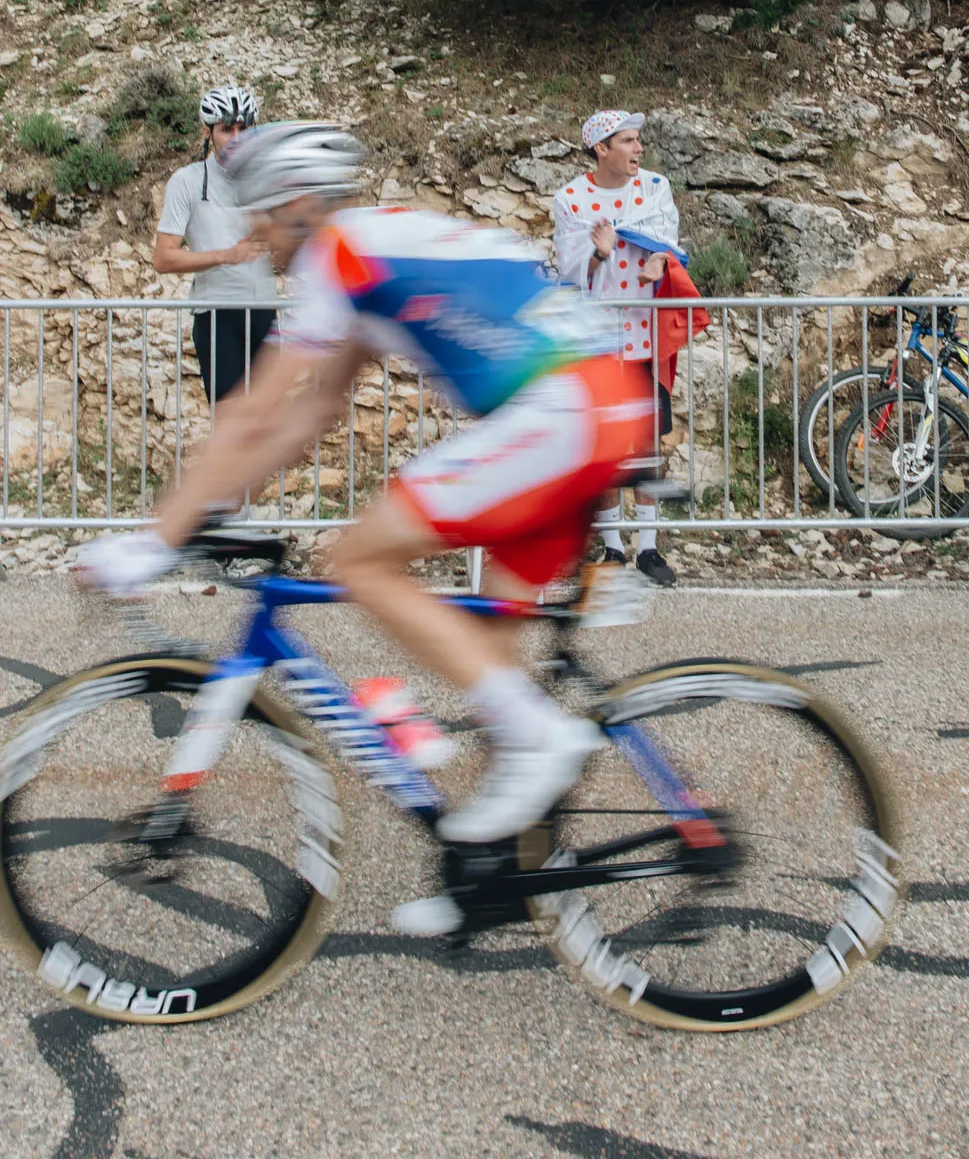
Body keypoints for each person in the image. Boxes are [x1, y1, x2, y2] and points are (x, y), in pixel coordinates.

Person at [82, 123, 653, 934]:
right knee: (490, 669)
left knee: (359, 559)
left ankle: (542, 745)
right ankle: (493, 882)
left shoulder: (337, 252)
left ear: (306, 206)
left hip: (565, 408)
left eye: (268, 217)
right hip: (594, 407)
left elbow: (249, 412)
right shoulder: (368, 249)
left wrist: (153, 541)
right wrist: (211, 510)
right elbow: (308, 414)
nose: (258, 237)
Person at [553, 110, 680, 586]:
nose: (638, 148)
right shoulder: (570, 197)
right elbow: (568, 268)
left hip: (646, 335)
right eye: (628, 140)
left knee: (647, 443)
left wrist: (660, 264)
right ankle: (612, 546)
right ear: (601, 148)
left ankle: (648, 549)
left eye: (638, 139)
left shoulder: (654, 187)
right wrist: (599, 252)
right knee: (602, 444)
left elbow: (670, 241)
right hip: (597, 338)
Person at [154, 85, 276, 406]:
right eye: (226, 129)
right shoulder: (188, 181)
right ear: (207, 131)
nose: (236, 138)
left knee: (270, 424)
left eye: (244, 128)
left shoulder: (268, 178)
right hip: (217, 315)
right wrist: (225, 255)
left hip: (265, 312)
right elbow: (163, 258)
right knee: (230, 423)